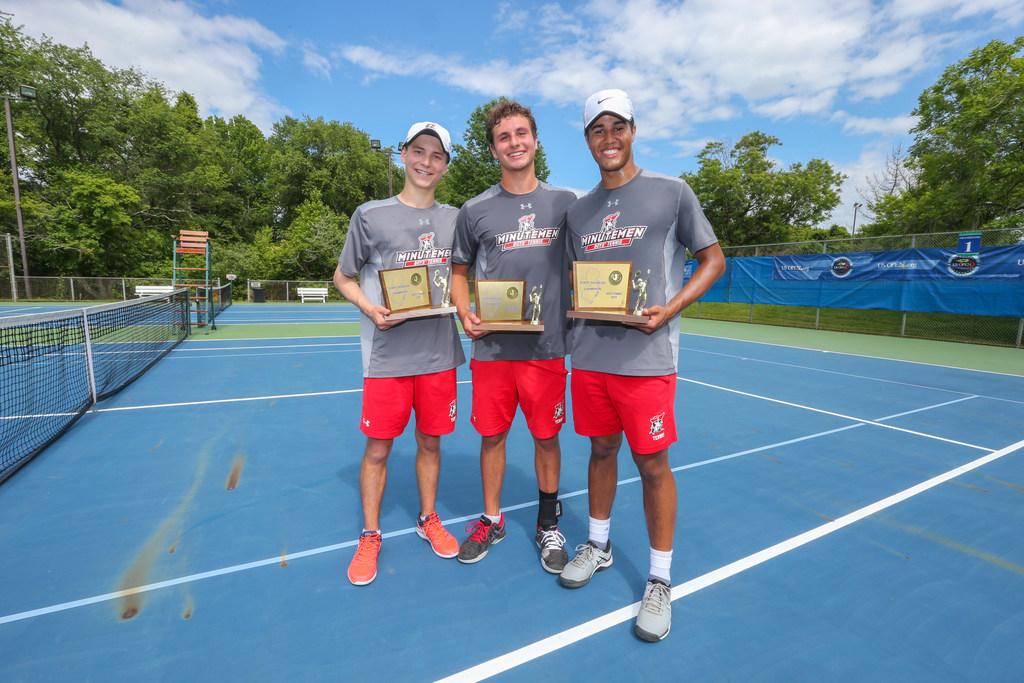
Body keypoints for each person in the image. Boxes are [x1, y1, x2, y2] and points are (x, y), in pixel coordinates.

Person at [559, 89, 726, 641]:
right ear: (587, 140)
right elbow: (572, 284)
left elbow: (713, 259)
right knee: (600, 450)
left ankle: (659, 579)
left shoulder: (670, 193)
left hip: (648, 359)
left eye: (617, 126)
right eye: (597, 129)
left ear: (633, 130)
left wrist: (670, 307)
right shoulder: (578, 212)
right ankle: (600, 544)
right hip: (590, 358)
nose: (608, 137)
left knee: (653, 465)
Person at [334, 121, 465, 586]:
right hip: (386, 357)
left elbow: (467, 278)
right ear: (404, 154)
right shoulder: (369, 215)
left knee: (431, 443)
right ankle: (370, 534)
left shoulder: (456, 219)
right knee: (378, 449)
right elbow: (343, 276)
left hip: (437, 356)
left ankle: (428, 517)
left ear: (445, 166)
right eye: (419, 151)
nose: (426, 162)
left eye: (437, 156)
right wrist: (371, 308)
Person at [451, 99, 576, 573]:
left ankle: (548, 523)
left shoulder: (566, 203)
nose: (514, 143)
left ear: (536, 140)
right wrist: (465, 312)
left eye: (521, 133)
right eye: (504, 137)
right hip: (494, 349)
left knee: (547, 438)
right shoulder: (475, 209)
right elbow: (458, 272)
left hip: (546, 349)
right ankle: (492, 519)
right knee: (492, 436)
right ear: (493, 149)